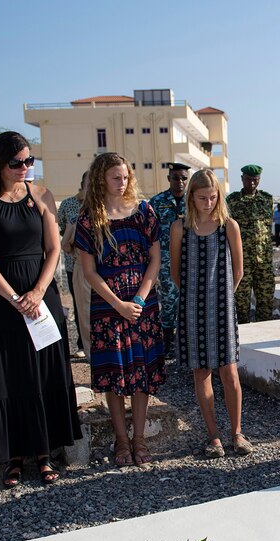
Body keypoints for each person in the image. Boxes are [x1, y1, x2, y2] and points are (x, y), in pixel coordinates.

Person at [0, 131, 82, 488]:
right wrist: (14, 298)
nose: (24, 168)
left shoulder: (42, 194)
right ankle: (13, 456)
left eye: (29, 161)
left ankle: (46, 451)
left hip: (40, 297)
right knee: (7, 374)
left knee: (42, 372)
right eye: (17, 162)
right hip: (1, 302)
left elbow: (53, 249)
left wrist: (37, 291)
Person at [75, 153, 165, 467]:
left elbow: (155, 259)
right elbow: (89, 271)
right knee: (115, 377)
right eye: (115, 177)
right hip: (108, 306)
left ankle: (139, 440)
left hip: (142, 306)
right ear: (101, 178)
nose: (122, 182)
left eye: (125, 176)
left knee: (141, 376)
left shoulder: (144, 211)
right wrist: (118, 305)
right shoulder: (89, 218)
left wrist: (138, 301)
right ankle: (122, 442)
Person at [170, 169, 253, 458]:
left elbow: (238, 271)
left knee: (229, 371)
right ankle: (213, 437)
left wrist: (220, 297)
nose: (208, 203)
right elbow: (176, 271)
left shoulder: (228, 226)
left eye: (213, 197)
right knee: (201, 372)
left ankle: (237, 433)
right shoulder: (179, 228)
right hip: (191, 309)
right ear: (191, 197)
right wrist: (195, 297)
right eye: (202, 197)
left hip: (222, 307)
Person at [148, 163, 190, 358]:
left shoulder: (194, 201)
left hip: (191, 261)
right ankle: (168, 343)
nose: (180, 182)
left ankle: (188, 342)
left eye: (183, 178)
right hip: (165, 261)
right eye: (176, 178)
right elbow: (149, 234)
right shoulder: (157, 202)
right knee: (168, 302)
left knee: (190, 301)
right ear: (169, 178)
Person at [227, 164, 275, 323]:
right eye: (248, 179)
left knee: (266, 301)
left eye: (256, 180)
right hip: (242, 261)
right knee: (240, 303)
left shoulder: (267, 200)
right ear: (242, 179)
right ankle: (241, 340)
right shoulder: (232, 201)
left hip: (264, 261)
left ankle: (265, 335)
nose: (252, 183)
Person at [57, 171, 88, 358]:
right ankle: (82, 343)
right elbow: (61, 227)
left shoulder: (101, 203)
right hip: (73, 262)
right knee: (79, 304)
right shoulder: (68, 205)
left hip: (97, 264)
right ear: (82, 184)